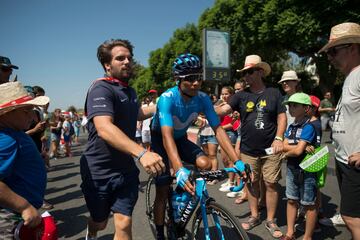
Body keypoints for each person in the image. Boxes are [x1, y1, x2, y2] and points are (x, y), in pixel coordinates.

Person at [151, 53, 246, 240]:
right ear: (178, 79)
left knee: (205, 164)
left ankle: (181, 197)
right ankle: (161, 232)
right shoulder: (167, 98)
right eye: (190, 79)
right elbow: (166, 135)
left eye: (199, 77)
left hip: (179, 138)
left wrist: (238, 161)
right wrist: (178, 169)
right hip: (161, 139)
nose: (196, 83)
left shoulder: (202, 98)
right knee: (162, 190)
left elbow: (218, 129)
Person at [80, 39, 165, 240]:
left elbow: (136, 113)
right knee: (100, 223)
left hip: (125, 170)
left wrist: (163, 104)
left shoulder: (130, 90)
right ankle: (91, 231)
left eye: (129, 57)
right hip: (98, 170)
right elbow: (104, 128)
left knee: (124, 222)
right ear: (107, 65)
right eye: (120, 58)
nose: (127, 61)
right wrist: (142, 153)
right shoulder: (101, 89)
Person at [216, 55, 286, 238]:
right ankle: (255, 216)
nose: (245, 76)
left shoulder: (274, 92)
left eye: (249, 72)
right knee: (252, 183)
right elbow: (223, 110)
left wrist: (279, 137)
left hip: (271, 148)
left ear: (260, 72)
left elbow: (281, 117)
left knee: (271, 184)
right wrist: (200, 107)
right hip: (248, 149)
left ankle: (271, 220)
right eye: (244, 73)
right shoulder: (240, 95)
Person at [318, 22, 360, 239]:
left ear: (353, 47)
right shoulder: (350, 76)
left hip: (356, 162)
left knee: (353, 218)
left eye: (333, 51)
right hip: (346, 160)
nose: (330, 57)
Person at [0, 81, 50, 238]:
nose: (32, 116)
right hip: (12, 216)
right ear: (6, 113)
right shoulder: (7, 139)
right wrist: (24, 207)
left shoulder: (15, 132)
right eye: (26, 111)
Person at [281, 93, 320, 240]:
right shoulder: (291, 126)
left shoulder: (309, 126)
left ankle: (307, 237)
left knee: (309, 203)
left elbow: (295, 151)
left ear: (306, 108)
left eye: (295, 105)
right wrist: (299, 147)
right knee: (291, 199)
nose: (291, 108)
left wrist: (287, 152)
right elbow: (286, 145)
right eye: (289, 105)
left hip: (308, 169)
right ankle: (290, 232)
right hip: (292, 168)